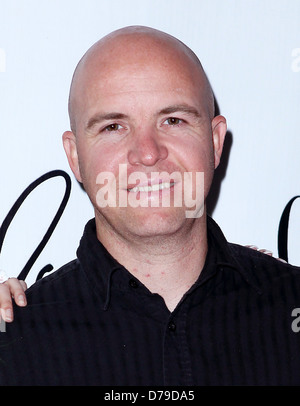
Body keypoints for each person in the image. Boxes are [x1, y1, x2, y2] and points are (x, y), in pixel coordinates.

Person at [0, 25, 299, 386]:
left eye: (173, 120)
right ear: (76, 156)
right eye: (113, 126)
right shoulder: (12, 342)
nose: (148, 153)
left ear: (215, 142)